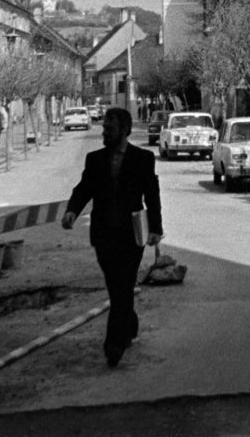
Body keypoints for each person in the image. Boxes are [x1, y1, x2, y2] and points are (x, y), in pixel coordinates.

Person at [62, 107, 163, 368]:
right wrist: (73, 210)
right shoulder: (94, 159)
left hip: (132, 234)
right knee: (116, 285)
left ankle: (113, 345)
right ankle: (129, 321)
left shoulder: (142, 158)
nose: (104, 132)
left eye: (109, 128)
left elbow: (152, 195)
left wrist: (156, 228)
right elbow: (84, 188)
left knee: (123, 283)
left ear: (124, 130)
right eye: (104, 128)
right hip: (103, 233)